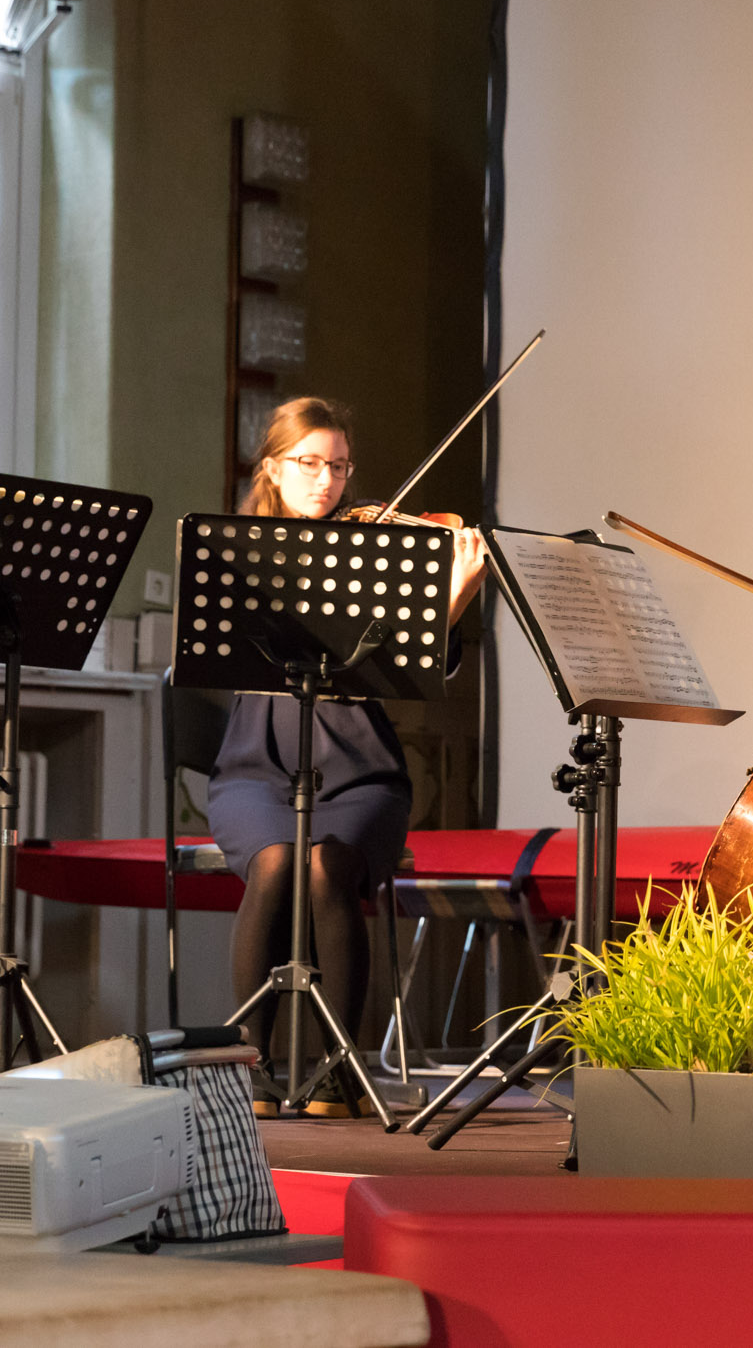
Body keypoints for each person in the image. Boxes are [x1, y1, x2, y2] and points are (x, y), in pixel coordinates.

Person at [207, 396, 485, 1117]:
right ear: (272, 466)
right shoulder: (237, 550)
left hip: (361, 768)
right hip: (255, 765)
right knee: (273, 863)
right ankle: (254, 1068)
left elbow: (416, 673)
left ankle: (336, 1066)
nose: (327, 482)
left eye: (338, 466)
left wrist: (450, 601)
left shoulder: (378, 546)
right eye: (309, 464)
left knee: (328, 865)